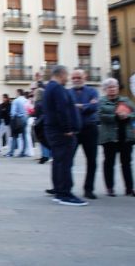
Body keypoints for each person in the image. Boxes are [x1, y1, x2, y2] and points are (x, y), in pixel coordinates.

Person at [43, 65, 86, 206]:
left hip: (53, 130)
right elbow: (62, 110)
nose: (68, 79)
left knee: (58, 161)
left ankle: (58, 190)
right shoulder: (57, 88)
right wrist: (67, 129)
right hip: (61, 132)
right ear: (62, 74)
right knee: (64, 163)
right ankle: (64, 193)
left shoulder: (49, 87)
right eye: (67, 75)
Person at [98, 78, 135, 197]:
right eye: (109, 87)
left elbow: (134, 113)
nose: (112, 89)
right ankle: (110, 188)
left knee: (126, 163)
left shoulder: (125, 100)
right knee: (109, 163)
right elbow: (99, 115)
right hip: (109, 137)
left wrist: (127, 115)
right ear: (105, 89)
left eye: (114, 87)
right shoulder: (101, 101)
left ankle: (129, 188)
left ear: (118, 88)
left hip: (125, 137)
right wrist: (116, 116)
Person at [69, 69, 99, 200]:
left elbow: (95, 107)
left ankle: (89, 189)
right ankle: (66, 187)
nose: (76, 79)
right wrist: (85, 106)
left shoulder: (93, 91)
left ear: (85, 77)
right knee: (68, 160)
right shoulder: (68, 92)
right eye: (74, 77)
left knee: (92, 161)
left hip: (90, 130)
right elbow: (66, 108)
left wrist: (77, 106)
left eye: (79, 77)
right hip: (73, 130)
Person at [7, 89, 28, 157]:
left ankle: (11, 152)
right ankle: (23, 152)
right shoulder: (26, 100)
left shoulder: (16, 100)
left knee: (14, 135)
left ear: (18, 93)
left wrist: (12, 119)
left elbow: (13, 112)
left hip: (17, 119)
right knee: (24, 136)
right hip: (25, 118)